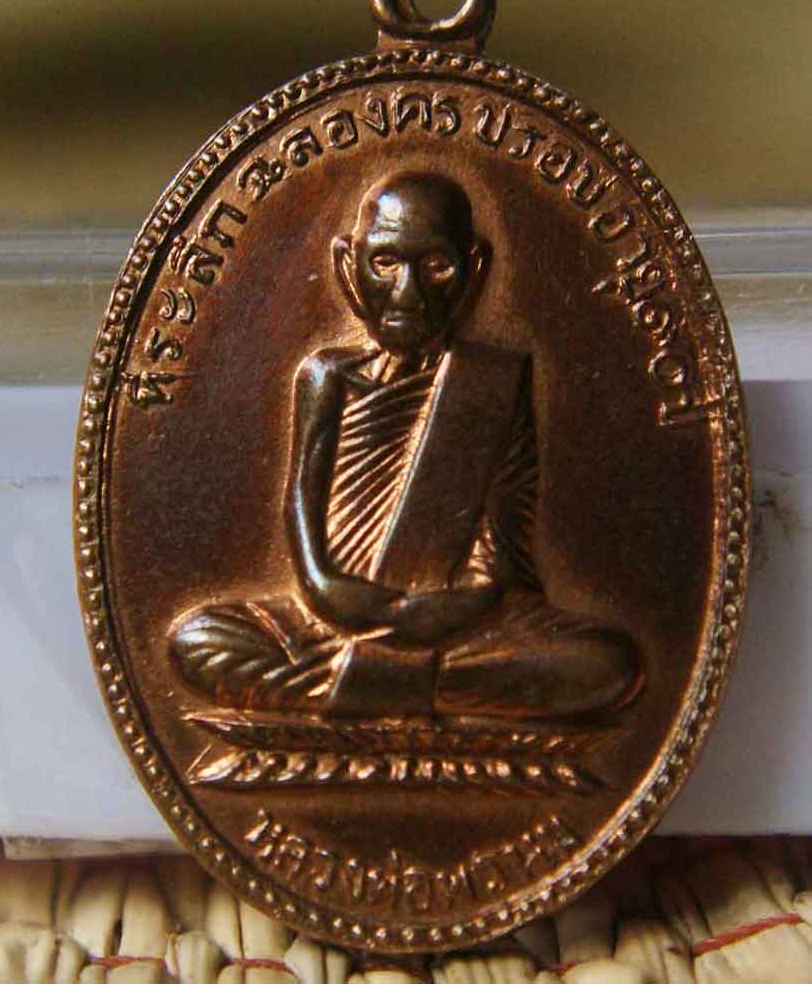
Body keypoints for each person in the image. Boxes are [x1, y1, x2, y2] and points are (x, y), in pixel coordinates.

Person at [170, 172, 641, 718]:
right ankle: (423, 686)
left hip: (459, 623)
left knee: (608, 662)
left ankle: (361, 685)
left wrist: (459, 604)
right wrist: (323, 586)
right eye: (385, 263)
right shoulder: (326, 377)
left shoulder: (494, 383)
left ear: (474, 270)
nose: (407, 294)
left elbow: (503, 536)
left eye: (436, 266)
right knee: (198, 640)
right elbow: (300, 500)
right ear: (348, 266)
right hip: (329, 617)